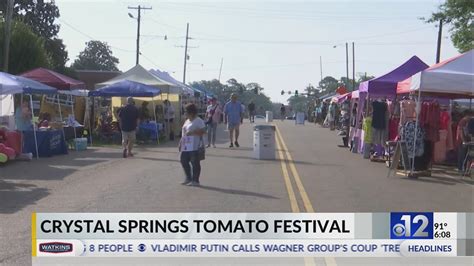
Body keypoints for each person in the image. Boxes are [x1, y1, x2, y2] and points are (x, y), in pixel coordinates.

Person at [179, 103, 206, 186]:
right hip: (186, 145)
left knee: (195, 163)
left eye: (186, 111)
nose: (185, 113)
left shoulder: (199, 121)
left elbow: (204, 131)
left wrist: (193, 132)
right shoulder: (187, 121)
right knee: (183, 160)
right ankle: (188, 177)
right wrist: (180, 142)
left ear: (191, 112)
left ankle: (195, 180)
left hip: (194, 146)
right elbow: (184, 133)